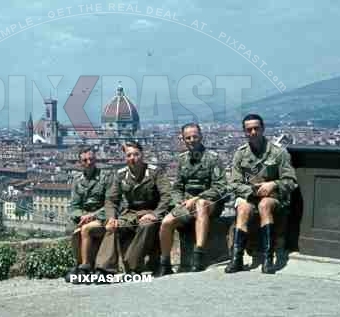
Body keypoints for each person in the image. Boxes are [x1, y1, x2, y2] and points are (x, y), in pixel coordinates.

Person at [225, 114, 298, 274]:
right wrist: (252, 190)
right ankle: (236, 258)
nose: (253, 132)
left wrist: (273, 184)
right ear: (244, 132)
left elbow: (291, 181)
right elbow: (234, 183)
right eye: (248, 129)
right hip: (250, 195)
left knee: (265, 204)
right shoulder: (241, 154)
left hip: (273, 197)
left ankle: (268, 258)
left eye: (256, 128)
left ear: (263, 129)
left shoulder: (278, 153)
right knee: (243, 209)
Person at [158, 123, 230, 275]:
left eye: (194, 137)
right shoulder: (182, 160)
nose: (192, 140)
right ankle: (165, 263)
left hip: (210, 203)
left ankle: (198, 255)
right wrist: (179, 202)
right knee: (166, 222)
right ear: (183, 140)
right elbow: (177, 187)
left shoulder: (213, 159)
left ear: (201, 137)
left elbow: (221, 186)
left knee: (201, 205)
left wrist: (197, 198)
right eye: (188, 138)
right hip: (186, 203)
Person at [95, 141, 171, 276]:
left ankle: (132, 263)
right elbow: (111, 199)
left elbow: (166, 196)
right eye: (129, 155)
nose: (133, 158)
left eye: (136, 154)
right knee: (112, 227)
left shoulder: (155, 172)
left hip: (150, 210)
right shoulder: (120, 174)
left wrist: (156, 214)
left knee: (147, 225)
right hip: (130, 213)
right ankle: (104, 268)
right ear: (125, 158)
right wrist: (111, 217)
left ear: (142, 155)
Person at [65, 145, 112, 283]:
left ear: (95, 159)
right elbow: (74, 206)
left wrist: (94, 215)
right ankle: (79, 265)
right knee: (71, 230)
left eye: (91, 159)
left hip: (102, 215)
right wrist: (81, 216)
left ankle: (85, 267)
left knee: (86, 229)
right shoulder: (77, 180)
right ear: (80, 163)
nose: (89, 162)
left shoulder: (105, 177)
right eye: (85, 160)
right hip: (83, 217)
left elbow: (111, 203)